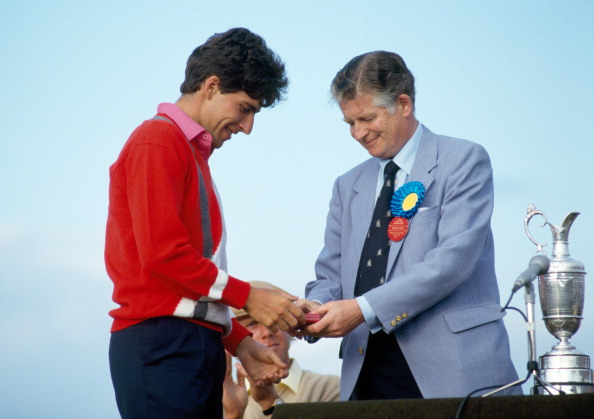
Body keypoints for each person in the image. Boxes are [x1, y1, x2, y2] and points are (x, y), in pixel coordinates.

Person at [105, 28, 305, 418]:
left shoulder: (185, 150)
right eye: (246, 108)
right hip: (161, 344)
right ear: (212, 86)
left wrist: (241, 344)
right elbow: (164, 257)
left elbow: (189, 288)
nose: (247, 127)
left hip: (187, 344)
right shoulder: (157, 141)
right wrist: (248, 296)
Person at [298, 51, 521, 401]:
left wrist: (361, 310)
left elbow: (452, 261)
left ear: (403, 104)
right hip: (366, 374)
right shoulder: (347, 184)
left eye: (366, 118)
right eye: (349, 123)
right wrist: (310, 309)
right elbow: (330, 275)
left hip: (454, 373)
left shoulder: (463, 160)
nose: (358, 133)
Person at [223, 281, 340, 419]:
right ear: (230, 336)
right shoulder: (223, 397)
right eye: (253, 324)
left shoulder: (328, 388)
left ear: (291, 327)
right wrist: (233, 415)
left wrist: (269, 401)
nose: (267, 332)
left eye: (275, 321)